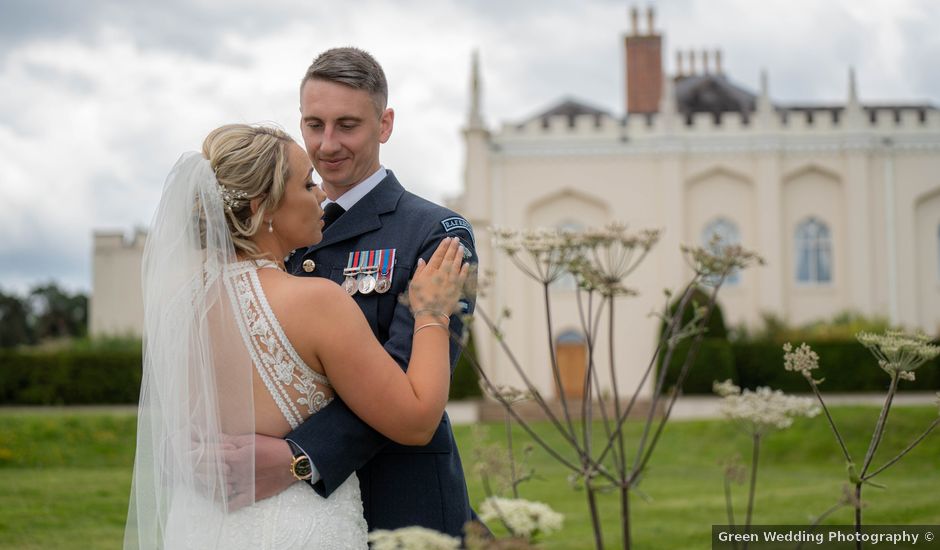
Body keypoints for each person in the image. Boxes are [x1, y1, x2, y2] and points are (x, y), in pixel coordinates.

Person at [123, 123, 469, 549]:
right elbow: (416, 421)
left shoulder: (182, 309)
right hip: (294, 531)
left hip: (201, 527)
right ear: (262, 208)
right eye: (307, 185)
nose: (322, 195)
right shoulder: (315, 302)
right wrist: (433, 313)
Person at [243, 47, 480, 538]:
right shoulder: (272, 227)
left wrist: (301, 456)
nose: (326, 144)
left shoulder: (435, 233)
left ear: (384, 124)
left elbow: (402, 378)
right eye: (314, 125)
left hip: (401, 499)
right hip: (290, 513)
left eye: (346, 125)